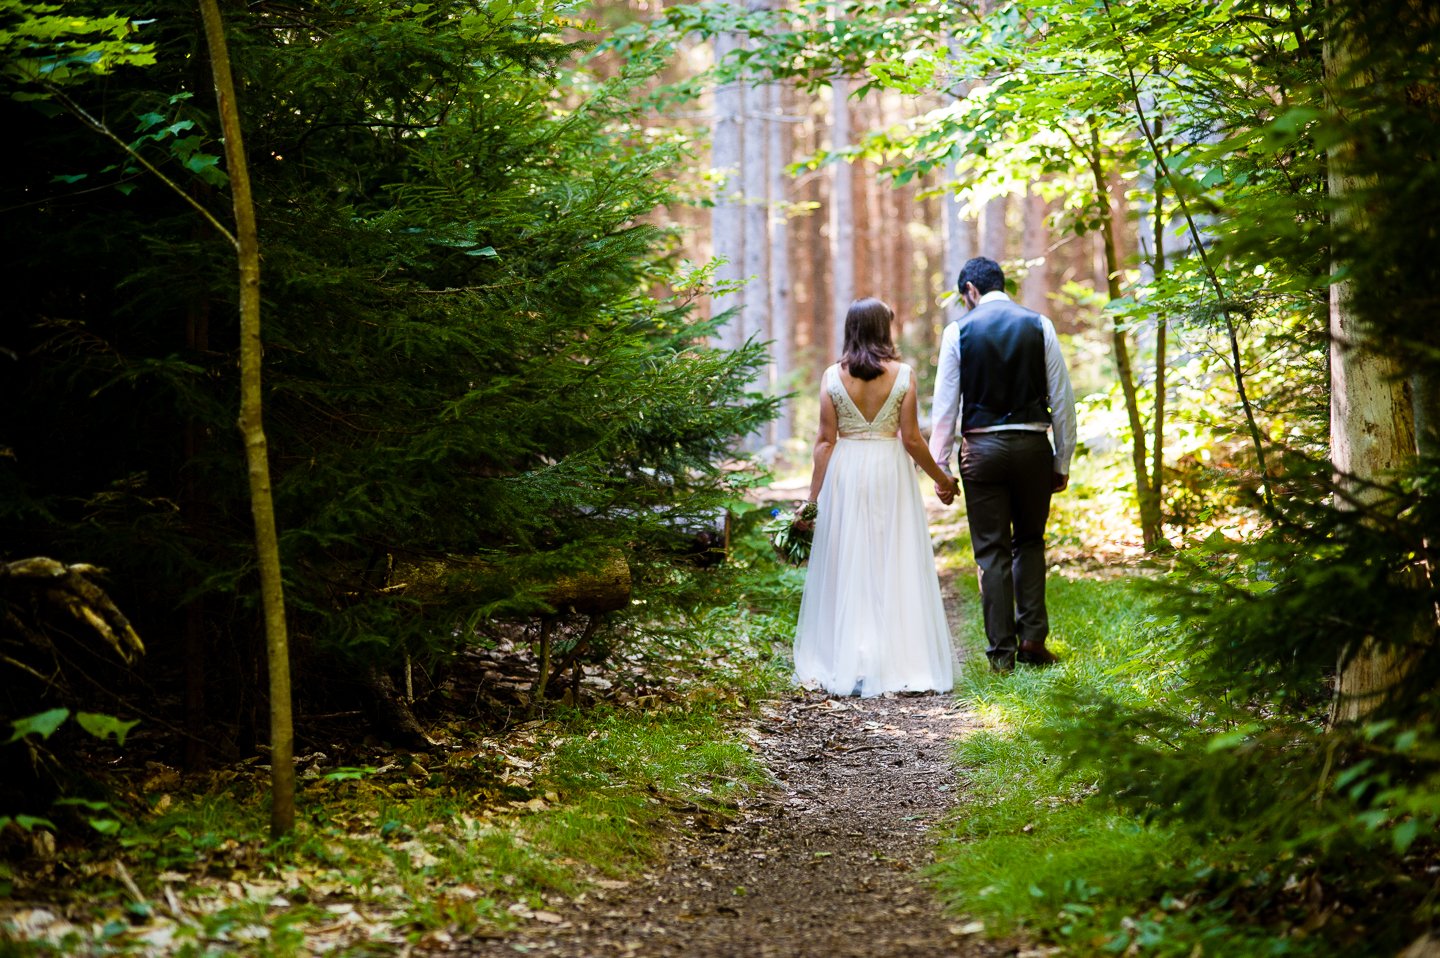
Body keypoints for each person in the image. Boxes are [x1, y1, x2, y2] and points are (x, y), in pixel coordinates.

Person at [792, 298, 959, 697]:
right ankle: (896, 658)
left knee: (849, 558)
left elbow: (825, 442)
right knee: (891, 557)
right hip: (889, 471)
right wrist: (943, 479)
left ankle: (851, 656)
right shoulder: (903, 375)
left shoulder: (833, 376)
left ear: (851, 329)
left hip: (846, 472)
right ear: (884, 330)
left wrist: (812, 500)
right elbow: (913, 440)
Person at [927, 257, 1077, 673]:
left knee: (990, 551)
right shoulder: (1039, 325)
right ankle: (1032, 639)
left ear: (971, 290)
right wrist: (1062, 458)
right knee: (1029, 541)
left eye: (964, 298)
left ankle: (1001, 655)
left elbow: (945, 409)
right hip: (1032, 448)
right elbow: (1062, 399)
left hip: (981, 450)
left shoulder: (958, 331)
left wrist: (941, 470)